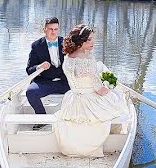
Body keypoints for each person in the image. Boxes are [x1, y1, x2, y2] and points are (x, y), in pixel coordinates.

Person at [53, 23, 126, 156]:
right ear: (80, 42)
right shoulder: (88, 59)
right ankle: (114, 135)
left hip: (73, 99)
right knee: (118, 97)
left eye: (92, 38)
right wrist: (107, 85)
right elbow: (99, 90)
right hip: (89, 101)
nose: (93, 42)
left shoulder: (67, 58)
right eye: (89, 39)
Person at [25, 17, 70, 120]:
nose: (53, 32)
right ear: (44, 29)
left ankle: (72, 118)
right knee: (30, 92)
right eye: (50, 29)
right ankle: (42, 119)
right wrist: (39, 67)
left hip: (65, 81)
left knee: (82, 90)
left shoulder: (66, 43)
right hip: (45, 82)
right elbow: (29, 70)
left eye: (56, 29)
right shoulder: (36, 46)